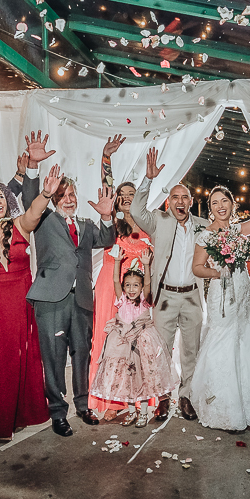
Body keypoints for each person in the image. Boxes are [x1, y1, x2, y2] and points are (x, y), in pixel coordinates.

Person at [12, 131, 117, 436]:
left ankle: (83, 405)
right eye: (62, 195)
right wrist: (33, 167)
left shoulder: (86, 225)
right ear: (54, 199)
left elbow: (107, 238)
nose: (69, 200)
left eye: (72, 195)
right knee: (54, 358)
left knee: (82, 354)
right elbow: (31, 200)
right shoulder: (44, 219)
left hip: (82, 299)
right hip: (51, 299)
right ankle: (58, 412)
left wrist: (107, 217)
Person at [0, 170, 62, 439]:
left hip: (20, 299)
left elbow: (34, 212)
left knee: (20, 356)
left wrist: (46, 194)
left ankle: (18, 414)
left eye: (1, 197)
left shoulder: (19, 225)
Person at [191, 171, 250, 431]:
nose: (220, 206)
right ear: (210, 208)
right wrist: (216, 272)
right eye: (215, 203)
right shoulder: (205, 235)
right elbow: (197, 267)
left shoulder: (236, 230)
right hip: (221, 293)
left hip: (242, 291)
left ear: (232, 204)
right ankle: (224, 406)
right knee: (223, 340)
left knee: (245, 338)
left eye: (224, 201)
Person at [129, 147, 210, 423]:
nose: (179, 201)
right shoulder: (158, 221)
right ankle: (163, 398)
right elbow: (136, 210)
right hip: (164, 297)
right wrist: (148, 180)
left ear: (191, 202)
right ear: (168, 202)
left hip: (192, 297)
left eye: (184, 197)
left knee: (191, 350)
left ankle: (186, 397)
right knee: (161, 350)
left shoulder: (203, 226)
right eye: (174, 197)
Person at [89, 175, 155, 420]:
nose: (126, 198)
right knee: (109, 343)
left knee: (136, 345)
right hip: (111, 285)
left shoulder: (148, 225)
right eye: (122, 195)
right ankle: (109, 400)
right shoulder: (112, 224)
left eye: (131, 194)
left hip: (138, 292)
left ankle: (136, 398)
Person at [90, 250, 177, 426]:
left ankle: (143, 412)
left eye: (135, 285)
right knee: (126, 378)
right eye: (128, 285)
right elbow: (115, 280)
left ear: (141, 287)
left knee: (142, 378)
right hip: (123, 344)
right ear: (124, 288)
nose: (131, 289)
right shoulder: (122, 300)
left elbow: (148, 283)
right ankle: (131, 411)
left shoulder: (144, 300)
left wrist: (146, 265)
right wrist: (117, 262)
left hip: (141, 343)